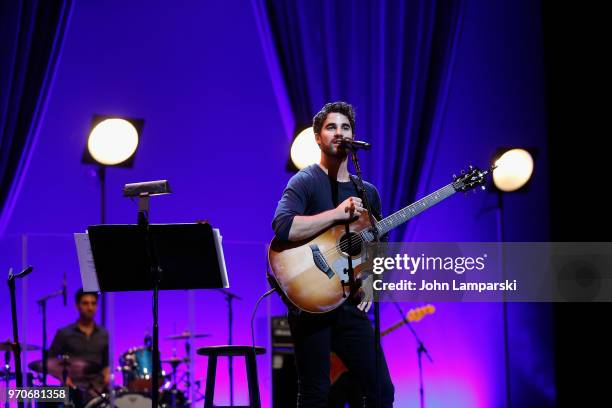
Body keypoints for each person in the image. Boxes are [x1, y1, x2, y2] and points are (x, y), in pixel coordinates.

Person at [272, 101, 395, 407]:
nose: (339, 132)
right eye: (331, 127)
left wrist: (370, 277)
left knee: (381, 390)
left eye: (345, 127)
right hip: (311, 304)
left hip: (349, 302)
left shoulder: (367, 191)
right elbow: (284, 226)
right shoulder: (305, 181)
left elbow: (377, 243)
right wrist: (336, 214)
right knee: (315, 393)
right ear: (318, 137)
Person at [48, 289, 109, 404]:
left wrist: (107, 374)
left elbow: (107, 364)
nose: (90, 308)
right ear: (77, 306)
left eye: (93, 303)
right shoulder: (64, 333)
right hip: (72, 388)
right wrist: (63, 377)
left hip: (98, 390)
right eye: (85, 303)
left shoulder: (104, 334)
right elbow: (50, 361)